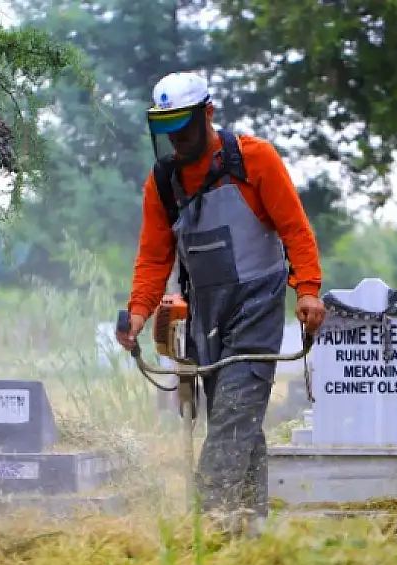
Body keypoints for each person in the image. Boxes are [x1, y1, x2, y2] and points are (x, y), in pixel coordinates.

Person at [115, 71, 327, 532]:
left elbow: (294, 229)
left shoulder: (254, 160)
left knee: (233, 412)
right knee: (237, 420)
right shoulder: (164, 182)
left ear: (207, 114)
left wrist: (307, 289)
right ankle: (248, 530)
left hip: (257, 303)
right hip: (205, 312)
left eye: (184, 128)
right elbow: (154, 257)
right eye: (166, 131)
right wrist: (136, 315)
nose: (176, 140)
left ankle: (207, 527)